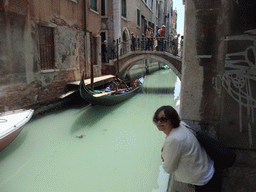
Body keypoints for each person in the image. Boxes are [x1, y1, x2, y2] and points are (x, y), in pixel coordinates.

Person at [152, 106, 222, 192]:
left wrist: (164, 155)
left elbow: (168, 168)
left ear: (171, 119)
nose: (159, 122)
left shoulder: (173, 140)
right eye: (156, 119)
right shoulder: (182, 125)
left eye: (163, 119)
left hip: (204, 181)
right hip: (209, 170)